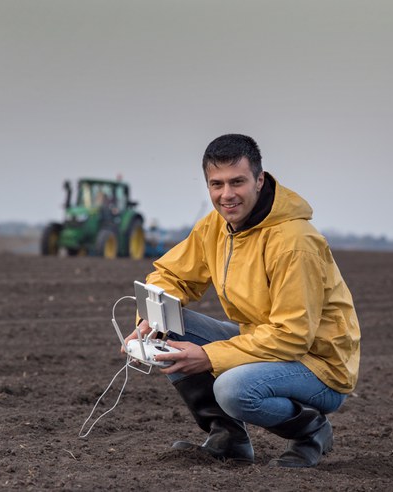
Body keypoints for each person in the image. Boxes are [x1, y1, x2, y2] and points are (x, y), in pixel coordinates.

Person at [124, 134, 360, 468]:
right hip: (263, 344)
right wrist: (150, 320)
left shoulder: (295, 243)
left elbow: (292, 336)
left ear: (259, 180)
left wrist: (208, 356)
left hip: (318, 364)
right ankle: (228, 438)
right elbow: (172, 275)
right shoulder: (215, 227)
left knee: (233, 389)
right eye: (216, 184)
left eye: (237, 182)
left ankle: (312, 430)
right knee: (170, 327)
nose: (226, 195)